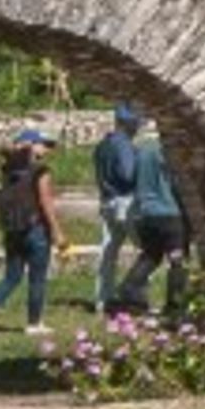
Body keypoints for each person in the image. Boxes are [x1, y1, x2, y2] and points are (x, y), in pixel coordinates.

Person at [0, 125, 61, 335]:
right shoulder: (40, 171)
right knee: (37, 278)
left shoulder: (8, 170)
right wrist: (57, 231)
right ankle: (34, 323)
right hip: (36, 230)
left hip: (12, 230)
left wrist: (19, 147)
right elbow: (46, 202)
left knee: (12, 277)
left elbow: (2, 150)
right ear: (32, 146)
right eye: (43, 145)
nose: (46, 150)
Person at [108, 118, 197, 320]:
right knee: (178, 260)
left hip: (145, 212)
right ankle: (175, 305)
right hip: (170, 213)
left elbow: (130, 176)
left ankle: (129, 290)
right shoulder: (167, 153)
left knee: (151, 255)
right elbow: (177, 184)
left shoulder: (141, 149)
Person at [92, 104, 146, 308]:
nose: (138, 127)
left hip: (106, 200)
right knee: (147, 250)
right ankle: (136, 293)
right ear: (127, 124)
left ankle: (102, 297)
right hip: (125, 199)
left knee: (108, 252)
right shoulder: (123, 145)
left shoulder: (103, 145)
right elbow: (127, 174)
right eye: (136, 123)